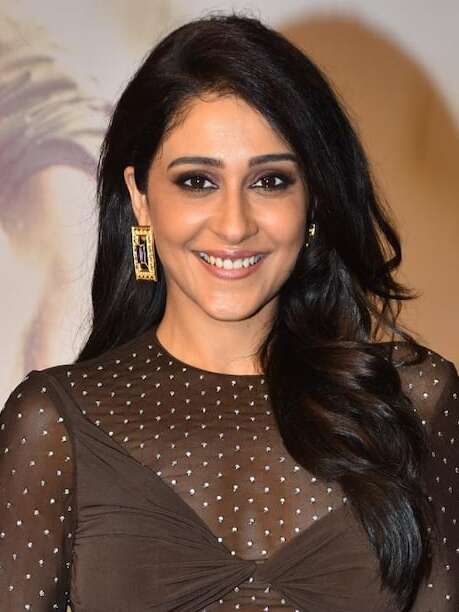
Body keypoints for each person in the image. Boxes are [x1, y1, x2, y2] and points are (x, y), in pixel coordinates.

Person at [0, 12, 457, 612]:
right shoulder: (54, 424)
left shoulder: (416, 402)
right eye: (197, 181)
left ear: (313, 199)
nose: (235, 225)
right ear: (140, 197)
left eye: (270, 181)